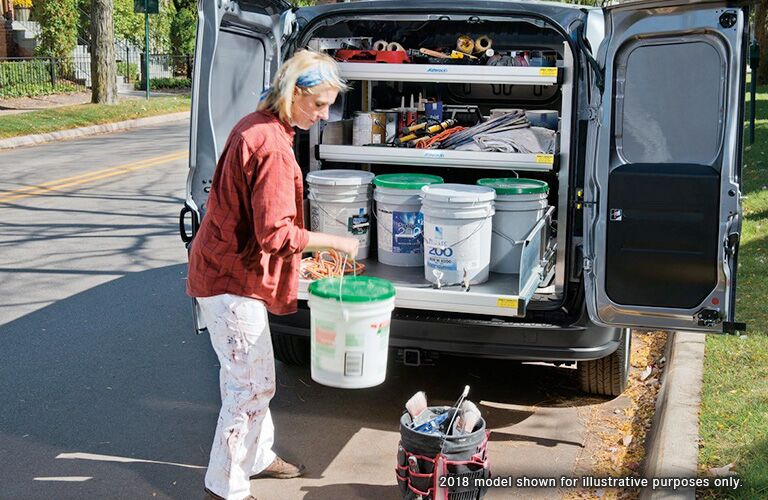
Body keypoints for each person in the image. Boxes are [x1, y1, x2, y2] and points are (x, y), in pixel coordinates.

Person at [186, 50, 358, 500]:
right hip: (230, 281)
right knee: (251, 385)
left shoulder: (256, 124)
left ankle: (258, 456)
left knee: (244, 377)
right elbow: (277, 235)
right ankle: (224, 487)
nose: (324, 116)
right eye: (318, 104)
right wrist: (337, 243)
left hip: (222, 270)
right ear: (292, 94)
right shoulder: (272, 148)